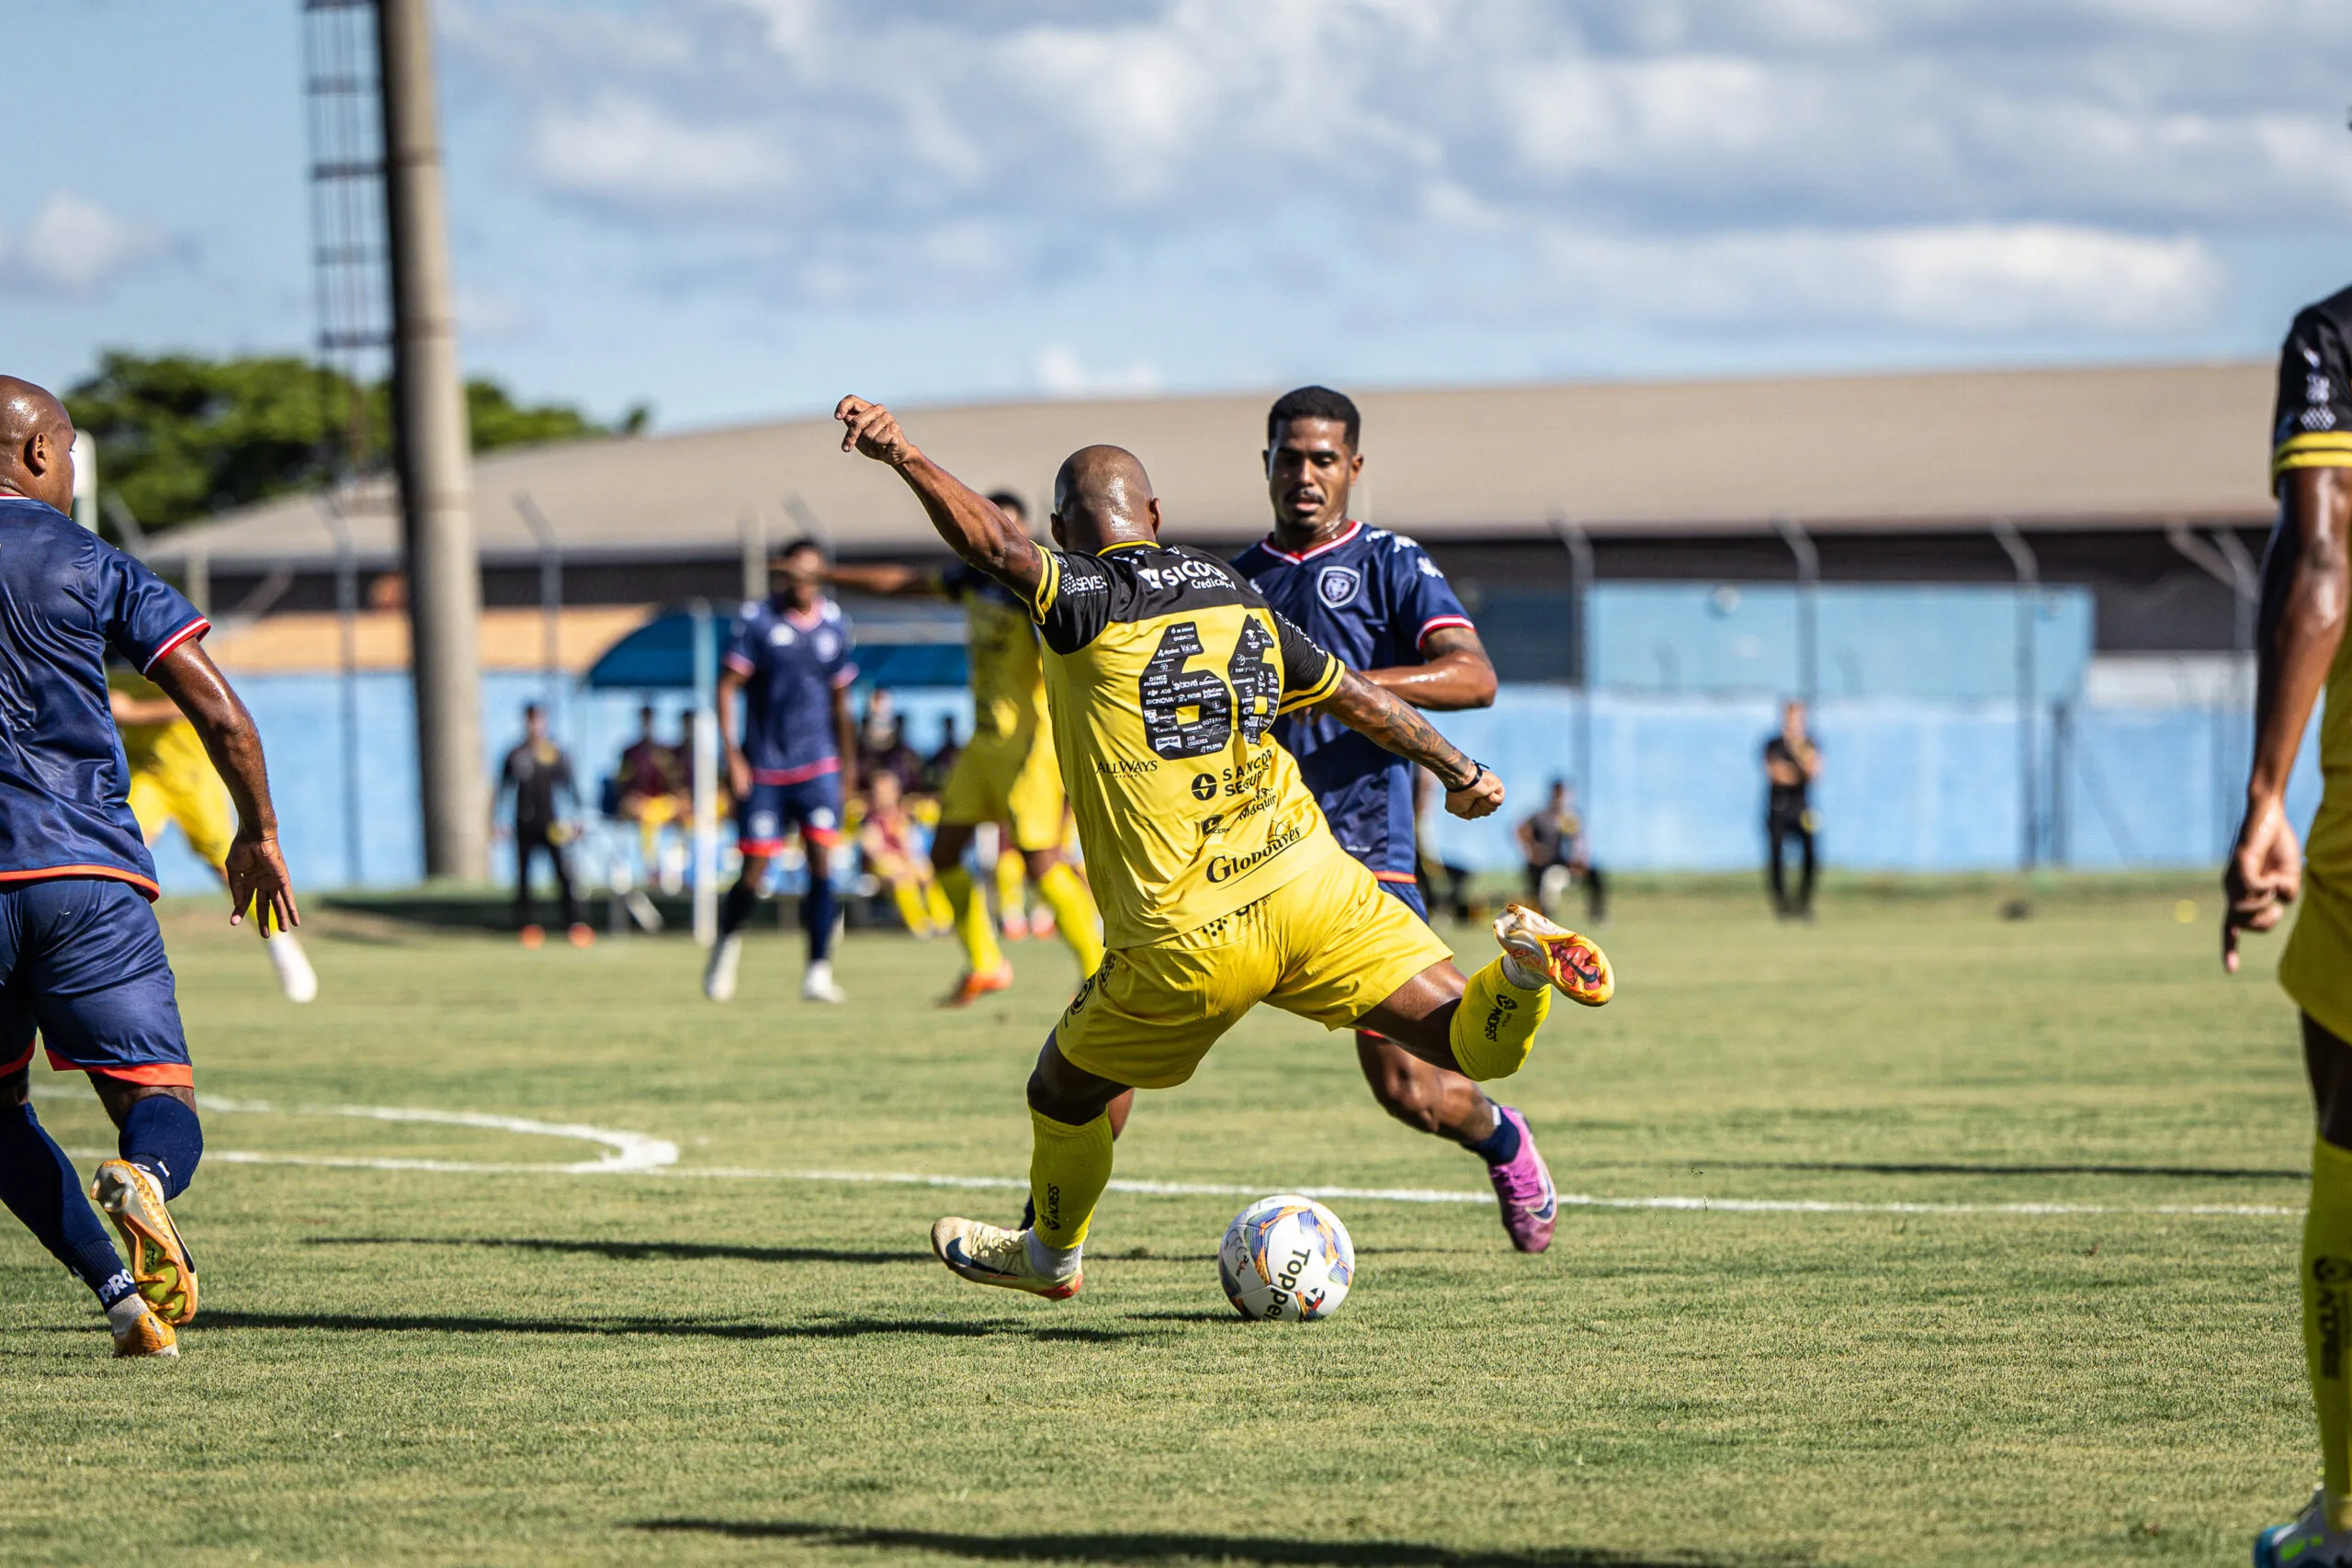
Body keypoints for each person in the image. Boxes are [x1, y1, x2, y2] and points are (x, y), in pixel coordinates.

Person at [832, 394, 1614, 1303]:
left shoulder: (1085, 597)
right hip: (1312, 885)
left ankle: (1049, 1256)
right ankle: (1518, 975)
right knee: (1463, 1042)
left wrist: (904, 453)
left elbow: (996, 548)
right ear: (1156, 516)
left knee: (1062, 1089)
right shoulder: (1237, 592)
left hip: (1189, 930)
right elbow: (1350, 694)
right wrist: (1457, 767)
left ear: (1061, 532)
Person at [1215, 386, 1577, 1251]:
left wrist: (1341, 686)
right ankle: (1053, 1231)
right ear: (1266, 463)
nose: (1306, 475)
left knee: (1412, 1088)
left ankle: (1503, 1134)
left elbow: (1474, 676)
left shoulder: (1389, 562)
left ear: (1354, 466)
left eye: (1323, 459)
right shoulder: (1230, 584)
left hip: (1364, 859)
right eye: (1290, 458)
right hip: (1249, 859)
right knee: (1116, 1024)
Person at [0, 375, 300, 1358]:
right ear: (40, 452)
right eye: (69, 450)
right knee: (158, 1102)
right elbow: (219, 710)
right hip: (84, 874)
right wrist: (257, 830)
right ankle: (149, 1181)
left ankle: (122, 1297)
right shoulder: (90, 559)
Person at [2233, 282, 2352, 1568]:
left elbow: (2321, 556)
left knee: (2350, 1139)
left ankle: (2350, 1517)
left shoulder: (2337, 339)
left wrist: (2267, 793)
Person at [828, 491, 1106, 1005]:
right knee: (943, 852)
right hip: (982, 745)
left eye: (1007, 526)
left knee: (1040, 862)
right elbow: (902, 583)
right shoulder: (972, 579)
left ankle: (1098, 974)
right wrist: (827, 574)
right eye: (987, 524)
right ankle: (986, 963)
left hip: (1030, 746)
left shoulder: (1037, 587)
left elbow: (1078, 660)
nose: (996, 536)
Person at [704, 540, 859, 1005]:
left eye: (813, 572)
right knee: (755, 869)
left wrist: (849, 767)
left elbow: (841, 703)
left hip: (819, 765)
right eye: (796, 571)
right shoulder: (758, 621)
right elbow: (726, 687)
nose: (804, 580)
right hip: (765, 767)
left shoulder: (835, 625)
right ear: (784, 574)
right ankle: (725, 949)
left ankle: (818, 971)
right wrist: (732, 755)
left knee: (821, 862)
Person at [107, 665, 318, 1002]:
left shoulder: (166, 652)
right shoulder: (101, 653)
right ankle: (111, 956)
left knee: (229, 867)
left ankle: (281, 944)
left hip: (193, 779)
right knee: (118, 854)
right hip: (145, 776)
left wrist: (133, 712)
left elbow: (198, 700)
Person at [495, 703, 590, 948]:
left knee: (564, 874)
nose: (534, 725)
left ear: (544, 722)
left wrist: (577, 819)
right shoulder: (515, 755)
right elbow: (503, 790)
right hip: (524, 823)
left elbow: (569, 789)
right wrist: (499, 822)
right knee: (524, 877)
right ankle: (528, 926)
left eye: (538, 720)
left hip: (553, 825)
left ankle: (575, 923)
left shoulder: (555, 754)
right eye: (530, 720)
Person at [860, 770, 954, 939]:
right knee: (903, 878)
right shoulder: (870, 820)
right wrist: (896, 862)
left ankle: (943, 921)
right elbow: (872, 849)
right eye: (879, 792)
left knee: (928, 874)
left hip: (906, 861)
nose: (882, 796)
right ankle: (920, 925)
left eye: (886, 791)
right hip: (884, 867)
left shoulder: (904, 816)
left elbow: (912, 846)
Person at [1517, 777, 1608, 926]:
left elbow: (1578, 841)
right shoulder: (1541, 817)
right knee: (1543, 880)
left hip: (1565, 862)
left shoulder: (1570, 817)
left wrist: (1579, 859)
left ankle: (1597, 913)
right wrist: (1532, 850)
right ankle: (1544, 916)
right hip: (1545, 863)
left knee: (1595, 874)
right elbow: (1521, 830)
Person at [1763, 700, 1822, 919]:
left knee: (1810, 855)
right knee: (1776, 856)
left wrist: (1799, 757)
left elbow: (1814, 772)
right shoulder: (1774, 745)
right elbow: (1776, 774)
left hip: (1802, 809)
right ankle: (1782, 904)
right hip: (1777, 808)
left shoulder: (1809, 744)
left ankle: (1803, 903)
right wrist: (1797, 772)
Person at [616, 704, 685, 877]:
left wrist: (664, 768)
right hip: (640, 805)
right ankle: (650, 869)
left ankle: (678, 870)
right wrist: (632, 798)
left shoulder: (664, 751)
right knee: (646, 818)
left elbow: (675, 781)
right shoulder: (630, 752)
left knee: (681, 812)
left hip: (661, 803)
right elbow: (622, 783)